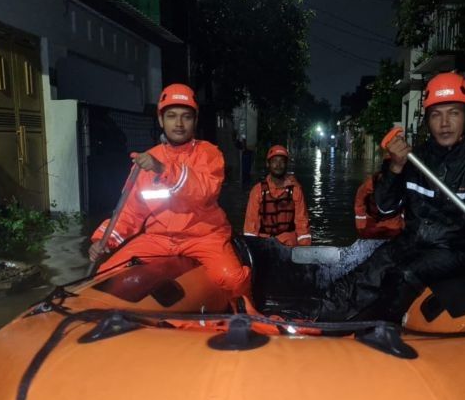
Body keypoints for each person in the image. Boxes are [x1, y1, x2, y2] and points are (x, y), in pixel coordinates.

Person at [312, 72, 465, 322]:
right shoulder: (414, 160)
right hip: (411, 243)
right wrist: (395, 169)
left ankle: (374, 331)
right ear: (427, 120)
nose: (444, 123)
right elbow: (384, 208)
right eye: (436, 114)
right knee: (365, 274)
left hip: (456, 253)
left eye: (453, 113)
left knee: (404, 275)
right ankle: (315, 320)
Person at [88, 83, 251, 299]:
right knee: (105, 274)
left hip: (203, 235)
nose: (179, 123)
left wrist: (164, 169)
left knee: (232, 279)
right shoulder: (146, 160)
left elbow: (203, 192)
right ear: (161, 120)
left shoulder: (209, 154)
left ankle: (247, 313)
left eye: (186, 116)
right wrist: (103, 240)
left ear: (195, 121)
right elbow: (130, 210)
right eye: (172, 116)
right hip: (159, 238)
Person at [243, 145, 312, 247]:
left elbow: (302, 221)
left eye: (282, 161)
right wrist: (251, 247)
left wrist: (305, 250)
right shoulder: (257, 190)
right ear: (268, 164)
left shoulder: (296, 190)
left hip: (289, 244)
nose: (278, 165)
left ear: (286, 164)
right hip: (264, 244)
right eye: (274, 161)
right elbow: (251, 223)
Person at [354, 149, 405, 240]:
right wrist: (361, 223)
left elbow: (360, 201)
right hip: (374, 225)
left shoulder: (403, 183)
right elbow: (360, 200)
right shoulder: (373, 182)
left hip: (390, 226)